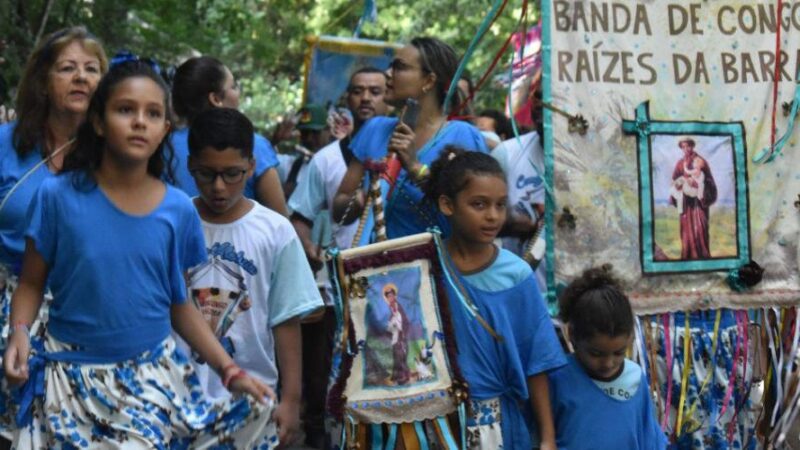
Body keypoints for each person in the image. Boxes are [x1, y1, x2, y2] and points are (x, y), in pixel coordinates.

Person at [2, 60, 277, 448]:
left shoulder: (178, 210)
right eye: (125, 109)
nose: (139, 122)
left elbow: (180, 304)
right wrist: (19, 334)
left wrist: (230, 371)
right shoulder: (56, 197)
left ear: (165, 128)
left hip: (148, 382)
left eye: (152, 113)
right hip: (66, 378)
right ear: (98, 122)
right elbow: (31, 283)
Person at [184, 107, 324, 447]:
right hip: (180, 394)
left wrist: (290, 400)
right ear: (191, 166)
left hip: (253, 397)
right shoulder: (175, 220)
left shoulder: (274, 230)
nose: (219, 187)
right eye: (207, 174)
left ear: (251, 168)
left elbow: (286, 317)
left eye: (232, 174)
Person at [421, 147, 565, 450]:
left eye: (500, 205)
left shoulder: (517, 275)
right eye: (479, 204)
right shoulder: (425, 268)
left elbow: (536, 362)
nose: (493, 216)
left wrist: (548, 438)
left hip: (496, 424)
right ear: (447, 205)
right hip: (436, 420)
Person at [286, 67, 388, 448]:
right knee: (324, 380)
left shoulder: (402, 157)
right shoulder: (326, 160)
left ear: (388, 97)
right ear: (347, 100)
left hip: (388, 289)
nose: (366, 98)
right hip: (333, 291)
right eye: (358, 91)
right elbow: (299, 218)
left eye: (375, 91)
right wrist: (314, 254)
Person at [0, 27, 107, 351]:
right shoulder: (7, 142)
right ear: (44, 81)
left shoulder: (116, 152)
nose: (80, 77)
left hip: (86, 311)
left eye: (91, 69)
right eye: (67, 68)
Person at [332, 37, 487, 240]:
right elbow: (339, 206)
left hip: (436, 266)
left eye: (399, 67)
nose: (387, 74)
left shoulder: (463, 136)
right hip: (374, 265)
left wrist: (416, 168)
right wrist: (363, 199)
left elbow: (477, 214)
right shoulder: (374, 129)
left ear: (429, 81)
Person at [548, 265, 667, 449]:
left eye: (619, 353)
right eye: (596, 354)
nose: (608, 363)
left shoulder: (635, 379)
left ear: (631, 338)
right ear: (572, 334)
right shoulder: (557, 378)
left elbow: (649, 439)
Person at [170, 56, 288, 215]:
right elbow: (281, 221)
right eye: (233, 86)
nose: (218, 186)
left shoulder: (164, 146)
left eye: (231, 174)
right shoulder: (254, 145)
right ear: (216, 99)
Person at [669, 136, 717, 260]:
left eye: (688, 146)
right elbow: (674, 181)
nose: (686, 149)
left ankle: (703, 258)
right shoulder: (680, 163)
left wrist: (699, 183)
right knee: (686, 233)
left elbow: (710, 181)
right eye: (683, 147)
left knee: (700, 229)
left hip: (699, 204)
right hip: (685, 204)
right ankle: (687, 257)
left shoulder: (700, 161)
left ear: (692, 146)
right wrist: (681, 183)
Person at [282, 103, 332, 199]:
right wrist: (276, 140)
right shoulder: (292, 164)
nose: (309, 139)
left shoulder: (339, 164)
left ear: (328, 130)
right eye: (305, 133)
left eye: (315, 132)